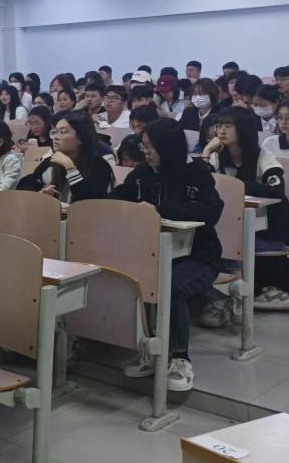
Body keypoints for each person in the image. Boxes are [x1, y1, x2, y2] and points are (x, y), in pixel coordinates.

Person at [112, 119, 224, 391]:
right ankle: (151, 350)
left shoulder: (196, 172)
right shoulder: (143, 172)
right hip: (152, 252)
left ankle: (179, 358)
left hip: (199, 256)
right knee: (126, 279)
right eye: (144, 145)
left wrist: (160, 210)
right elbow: (120, 196)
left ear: (167, 147)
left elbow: (211, 211)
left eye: (150, 146)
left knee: (170, 286)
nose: (145, 151)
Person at [202, 106, 289, 309]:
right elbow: (203, 186)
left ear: (243, 129)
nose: (221, 131)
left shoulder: (263, 156)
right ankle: (228, 293)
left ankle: (236, 297)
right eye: (219, 126)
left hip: (267, 228)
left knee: (232, 241)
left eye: (228, 126)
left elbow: (276, 191)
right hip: (230, 223)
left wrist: (234, 186)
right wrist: (206, 152)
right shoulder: (217, 156)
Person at [18, 112, 113, 201]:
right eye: (55, 132)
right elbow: (26, 185)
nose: (56, 137)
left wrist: (70, 168)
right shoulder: (51, 161)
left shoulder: (99, 165)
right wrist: (40, 194)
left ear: (80, 138)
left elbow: (90, 202)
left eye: (63, 132)